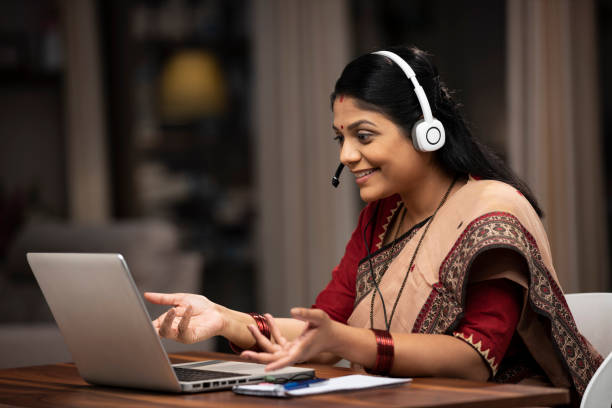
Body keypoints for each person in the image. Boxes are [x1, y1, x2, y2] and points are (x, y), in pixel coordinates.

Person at [144, 46, 602, 401]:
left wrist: (353, 342)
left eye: (363, 135)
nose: (346, 155)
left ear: (427, 131)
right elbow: (321, 336)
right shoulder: (382, 218)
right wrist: (224, 318)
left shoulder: (492, 215)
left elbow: (473, 359)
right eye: (341, 137)